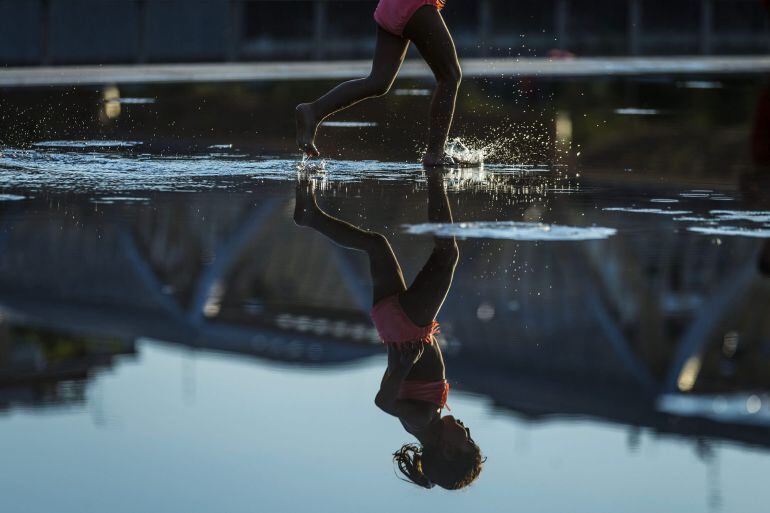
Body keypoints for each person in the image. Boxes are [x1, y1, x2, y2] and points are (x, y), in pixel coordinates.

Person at [293, 170, 484, 489]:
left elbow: (383, 402)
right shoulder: (422, 423)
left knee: (447, 253)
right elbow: (392, 390)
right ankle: (310, 216)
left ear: (448, 450)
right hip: (393, 325)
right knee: (376, 246)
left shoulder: (422, 420)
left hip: (410, 325)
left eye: (466, 439)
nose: (465, 429)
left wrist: (404, 365)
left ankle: (434, 174)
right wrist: (398, 368)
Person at [295, 1, 462, 167]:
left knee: (378, 82)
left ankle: (313, 111)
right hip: (415, 5)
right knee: (450, 77)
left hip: (391, 6)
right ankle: (435, 153)